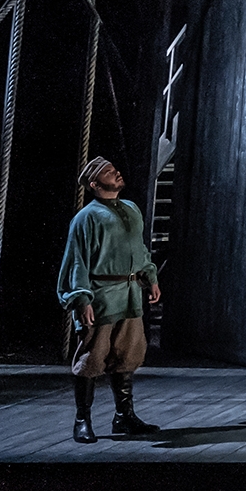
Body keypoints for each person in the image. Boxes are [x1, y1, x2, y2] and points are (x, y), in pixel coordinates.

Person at [57, 157, 161, 443]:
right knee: (92, 357)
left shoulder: (131, 209)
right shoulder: (87, 217)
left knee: (127, 355)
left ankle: (124, 416)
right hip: (101, 295)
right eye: (108, 172)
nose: (116, 173)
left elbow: (139, 249)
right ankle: (82, 420)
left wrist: (150, 277)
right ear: (94, 183)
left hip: (129, 294)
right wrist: (81, 298)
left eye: (114, 169)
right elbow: (77, 260)